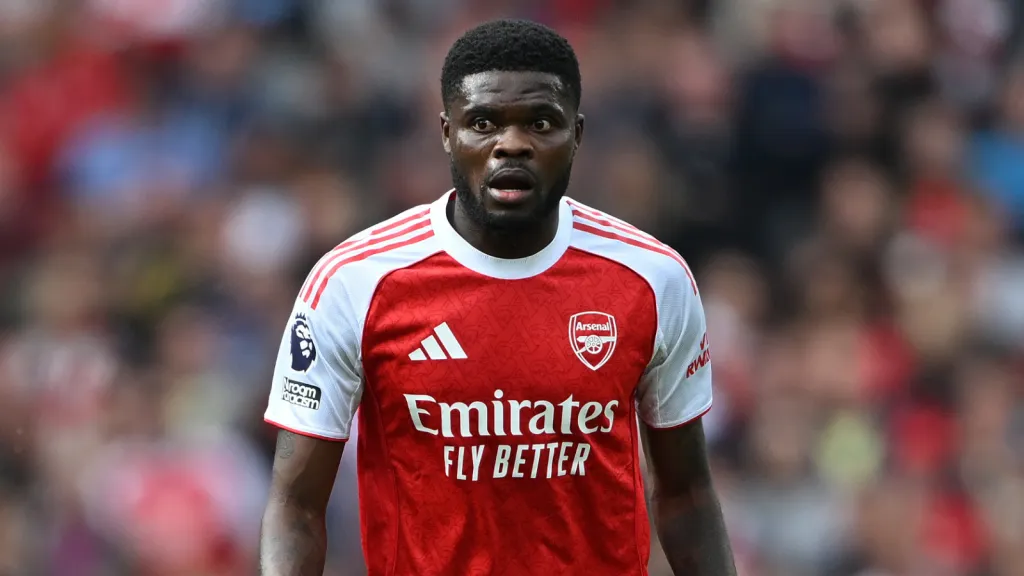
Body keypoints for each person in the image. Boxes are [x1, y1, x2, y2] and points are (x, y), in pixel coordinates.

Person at [260, 18, 736, 576]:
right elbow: (296, 506)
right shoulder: (354, 282)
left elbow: (687, 496)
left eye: (540, 122)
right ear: (446, 132)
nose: (511, 144)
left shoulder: (653, 279)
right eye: (483, 122)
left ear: (577, 135)